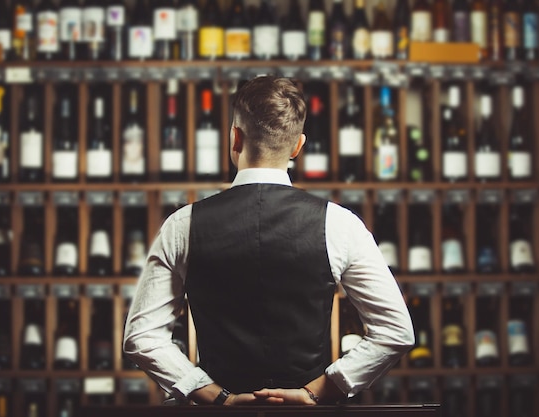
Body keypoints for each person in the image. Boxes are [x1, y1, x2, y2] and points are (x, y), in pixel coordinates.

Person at [123, 76, 414, 406]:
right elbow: (395, 332)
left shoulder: (182, 225)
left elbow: (142, 338)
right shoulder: (339, 223)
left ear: (235, 138)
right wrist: (318, 391)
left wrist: (214, 396)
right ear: (297, 147)